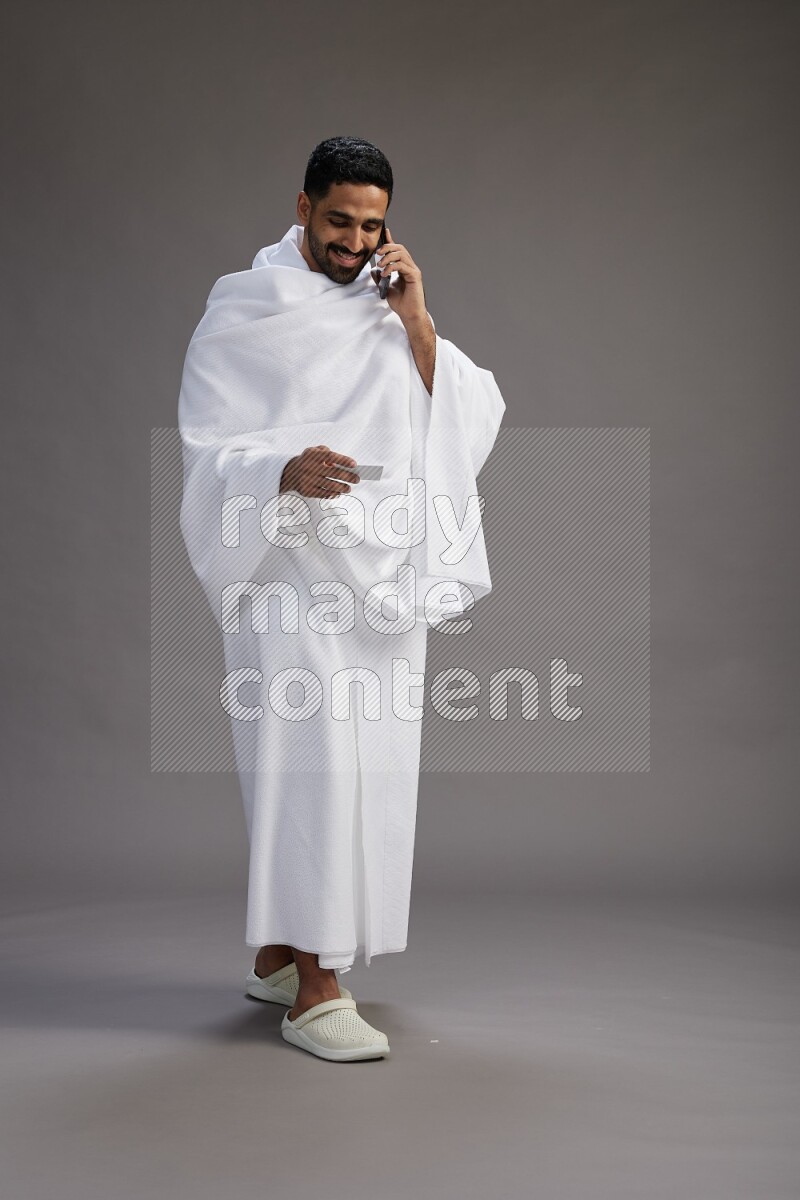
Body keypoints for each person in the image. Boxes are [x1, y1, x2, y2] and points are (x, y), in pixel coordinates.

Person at [177, 136, 505, 1061]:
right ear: (303, 206)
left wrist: (418, 324)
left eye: (372, 226)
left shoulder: (384, 308)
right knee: (310, 759)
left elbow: (471, 417)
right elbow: (205, 448)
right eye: (338, 222)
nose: (354, 243)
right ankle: (317, 989)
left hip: (381, 580)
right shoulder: (245, 311)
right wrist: (282, 467)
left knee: (376, 764)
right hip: (287, 573)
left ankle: (281, 952)